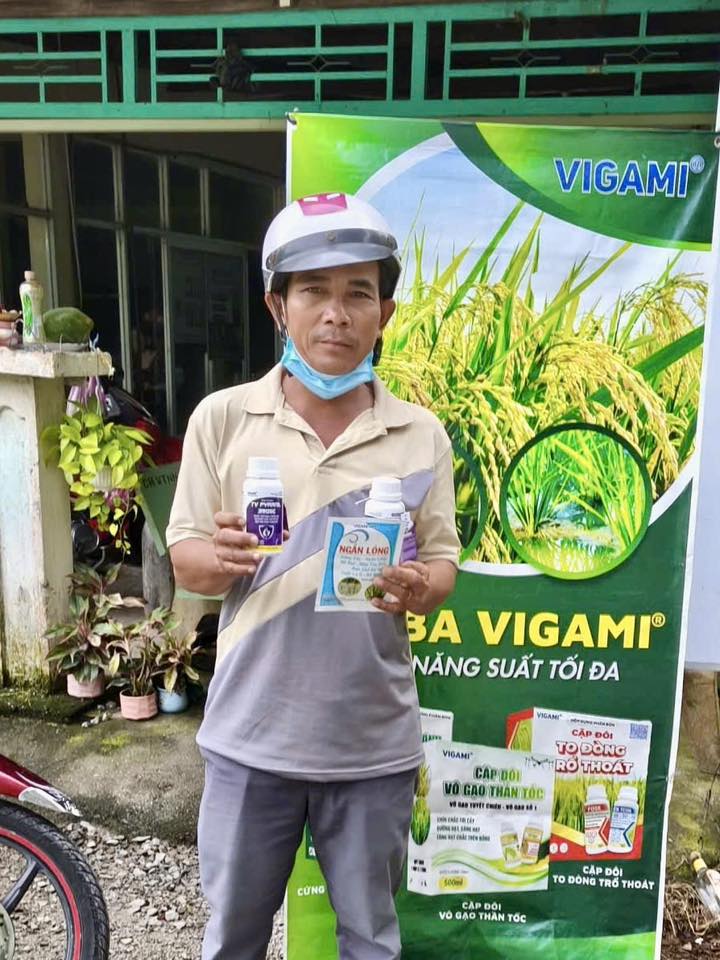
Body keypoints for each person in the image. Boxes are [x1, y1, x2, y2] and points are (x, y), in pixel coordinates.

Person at [166, 191, 460, 960]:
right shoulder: (223, 420)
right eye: (314, 291)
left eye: (358, 293)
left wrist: (421, 587)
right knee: (233, 938)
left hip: (371, 745)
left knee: (370, 939)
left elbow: (443, 565)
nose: (336, 313)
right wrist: (222, 557)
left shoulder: (420, 435)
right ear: (278, 306)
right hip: (250, 737)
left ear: (384, 313)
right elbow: (186, 559)